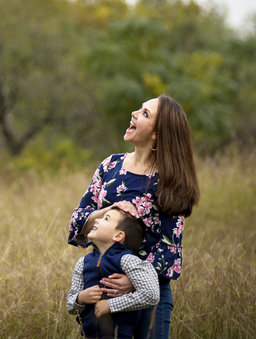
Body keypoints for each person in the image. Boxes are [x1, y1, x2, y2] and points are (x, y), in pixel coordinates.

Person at [67, 95, 200, 339]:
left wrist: (133, 279)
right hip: (102, 293)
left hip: (148, 299)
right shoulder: (110, 165)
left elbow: (170, 251)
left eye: (145, 114)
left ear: (158, 134)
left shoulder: (170, 181)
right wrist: (107, 211)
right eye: (139, 109)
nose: (134, 114)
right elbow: (77, 221)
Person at [66, 207, 160, 339]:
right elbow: (70, 305)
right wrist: (81, 298)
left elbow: (151, 294)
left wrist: (110, 305)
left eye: (106, 218)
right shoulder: (82, 263)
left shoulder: (127, 260)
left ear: (118, 235)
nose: (97, 220)